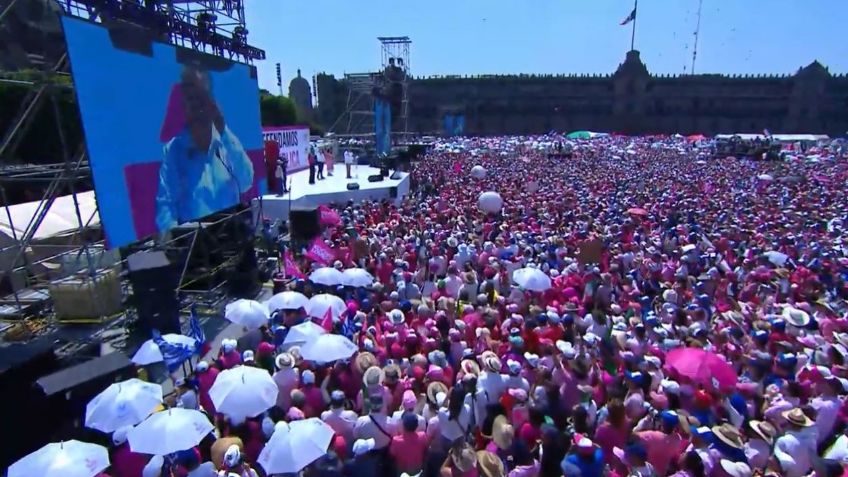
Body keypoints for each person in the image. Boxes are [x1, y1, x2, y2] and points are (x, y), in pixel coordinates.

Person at [155, 66, 254, 231]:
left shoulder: (227, 143)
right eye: (189, 97)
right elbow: (165, 207)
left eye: (200, 96)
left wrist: (223, 131)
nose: (195, 104)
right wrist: (178, 238)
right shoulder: (174, 150)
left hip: (231, 233)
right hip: (195, 241)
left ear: (211, 100)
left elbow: (246, 182)